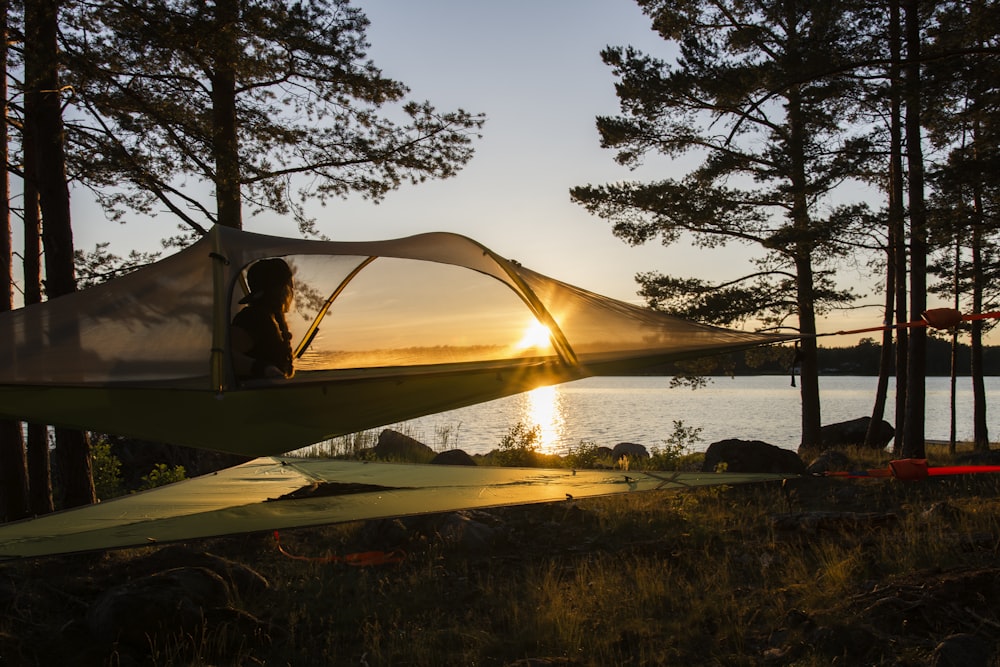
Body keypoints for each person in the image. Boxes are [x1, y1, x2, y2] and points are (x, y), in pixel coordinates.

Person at [231, 258, 295, 381]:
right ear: (278, 290)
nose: (289, 292)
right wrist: (263, 369)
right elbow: (226, 358)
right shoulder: (251, 317)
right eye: (287, 286)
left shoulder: (270, 318)